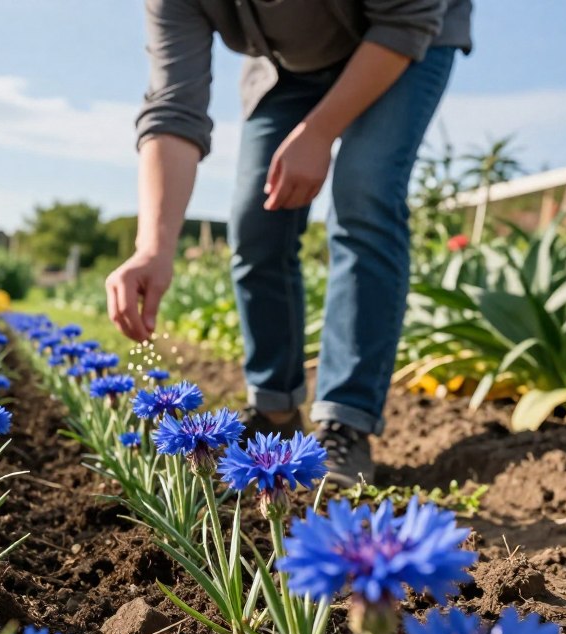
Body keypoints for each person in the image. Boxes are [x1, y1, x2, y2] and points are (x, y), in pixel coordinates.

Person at [106, 0, 471, 486]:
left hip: (402, 37)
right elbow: (174, 108)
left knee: (364, 193)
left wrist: (319, 132)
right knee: (256, 222)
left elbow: (407, 18)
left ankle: (347, 421)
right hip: (286, 68)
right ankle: (274, 410)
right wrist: (153, 246)